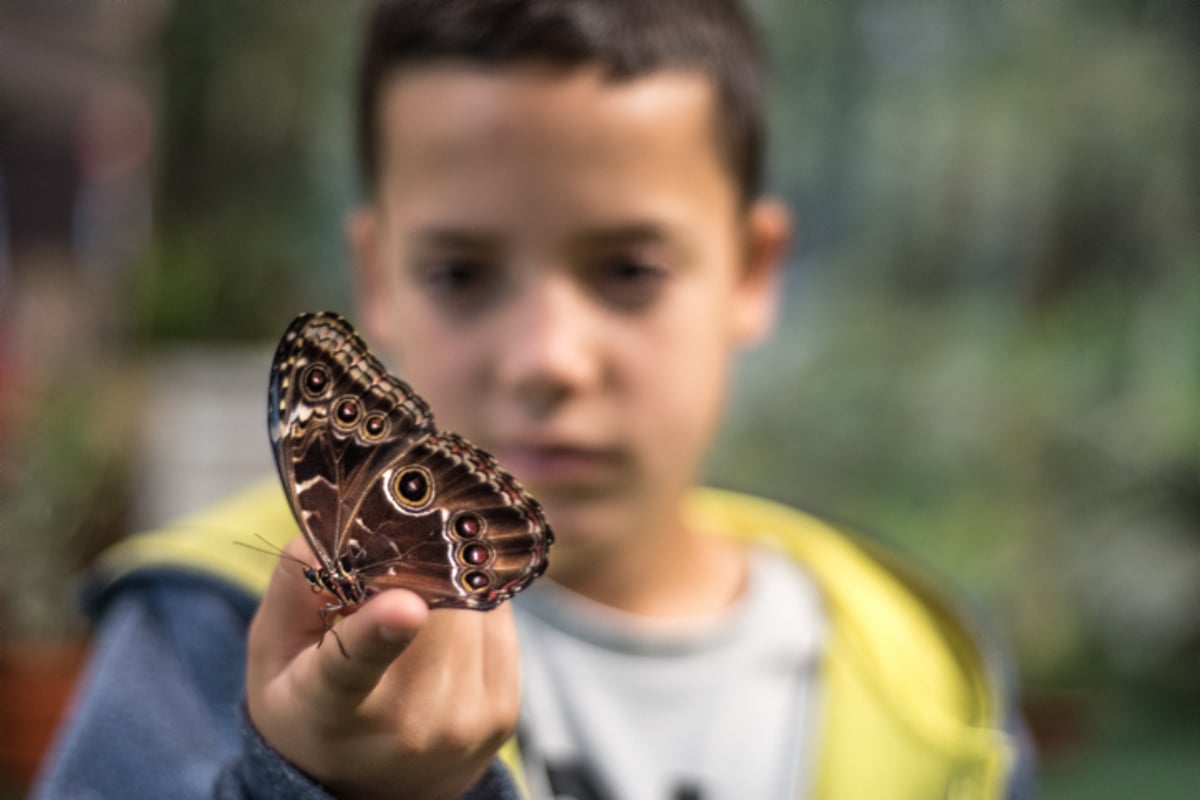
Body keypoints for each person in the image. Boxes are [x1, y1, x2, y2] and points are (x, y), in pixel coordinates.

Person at [35, 1, 1034, 798]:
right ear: (376, 276)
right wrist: (312, 783)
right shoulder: (215, 619)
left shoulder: (910, 657)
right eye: (462, 274)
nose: (548, 360)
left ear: (753, 270)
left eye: (629, 271)